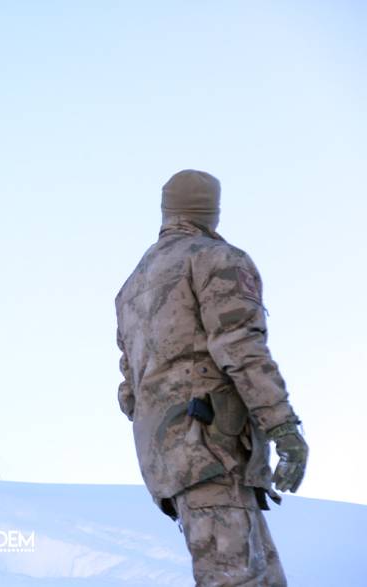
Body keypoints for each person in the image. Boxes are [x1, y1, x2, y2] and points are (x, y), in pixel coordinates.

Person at [115, 170, 308, 586]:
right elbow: (242, 350)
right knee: (235, 580)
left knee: (260, 579)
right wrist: (284, 429)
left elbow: (129, 390)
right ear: (211, 211)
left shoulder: (132, 287)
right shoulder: (216, 259)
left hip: (172, 460)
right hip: (212, 451)